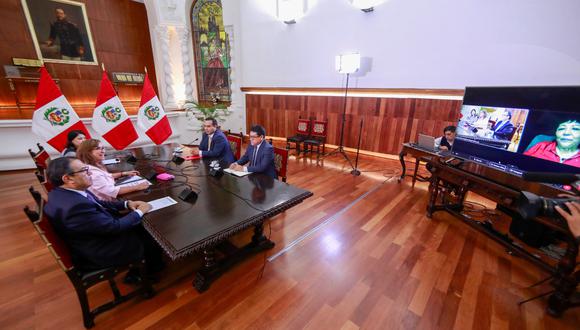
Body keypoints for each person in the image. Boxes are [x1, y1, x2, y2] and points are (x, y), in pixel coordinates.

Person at [43, 157, 164, 279]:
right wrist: (140, 211)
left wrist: (126, 204)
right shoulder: (75, 206)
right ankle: (148, 273)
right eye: (84, 170)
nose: (89, 173)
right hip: (101, 250)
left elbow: (100, 203)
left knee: (142, 225)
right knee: (151, 235)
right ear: (68, 179)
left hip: (93, 236)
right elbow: (114, 227)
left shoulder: (65, 191)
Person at [77, 139, 149, 201]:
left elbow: (107, 176)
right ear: (87, 152)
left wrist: (123, 173)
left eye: (103, 148)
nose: (103, 151)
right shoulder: (93, 173)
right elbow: (112, 191)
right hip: (108, 205)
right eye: (98, 148)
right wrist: (137, 187)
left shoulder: (95, 165)